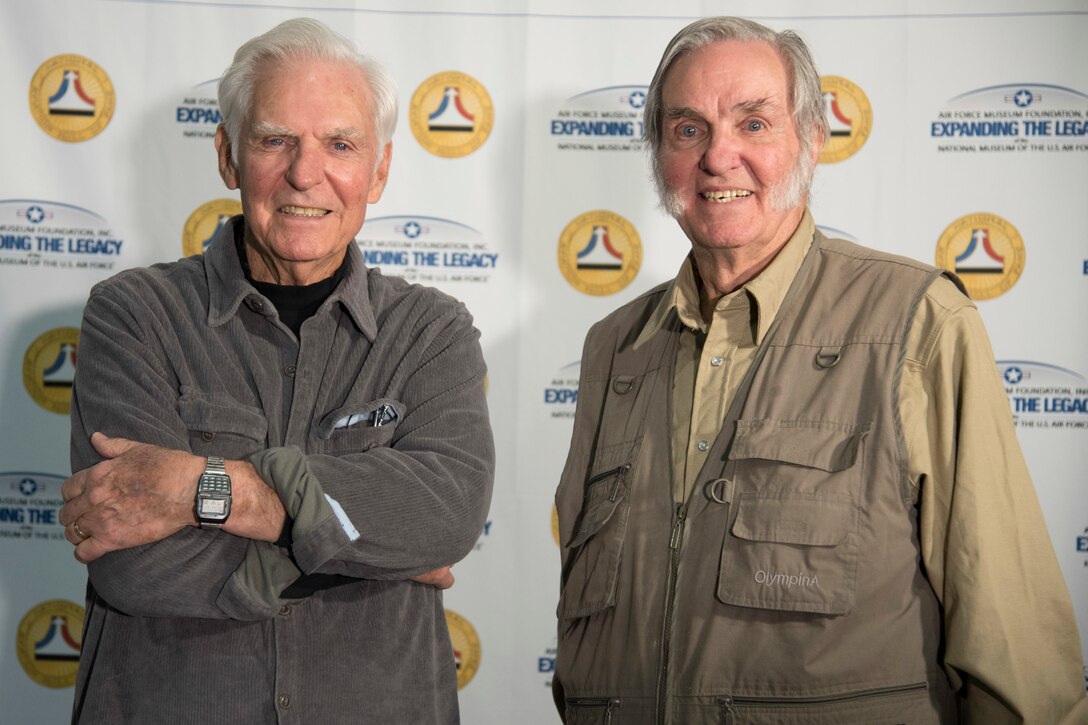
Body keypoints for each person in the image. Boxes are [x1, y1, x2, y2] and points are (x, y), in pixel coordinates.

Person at [553, 16, 1087, 724]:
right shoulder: (612, 348)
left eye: (753, 123)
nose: (719, 157)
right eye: (688, 130)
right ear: (659, 154)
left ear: (810, 139)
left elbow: (1011, 638)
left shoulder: (918, 321)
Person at [58, 18, 494, 724]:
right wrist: (372, 548)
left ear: (379, 170)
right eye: (275, 140)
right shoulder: (132, 316)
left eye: (341, 144)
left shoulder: (431, 331)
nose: (305, 172)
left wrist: (204, 489)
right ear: (229, 158)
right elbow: (131, 561)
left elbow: (445, 515)